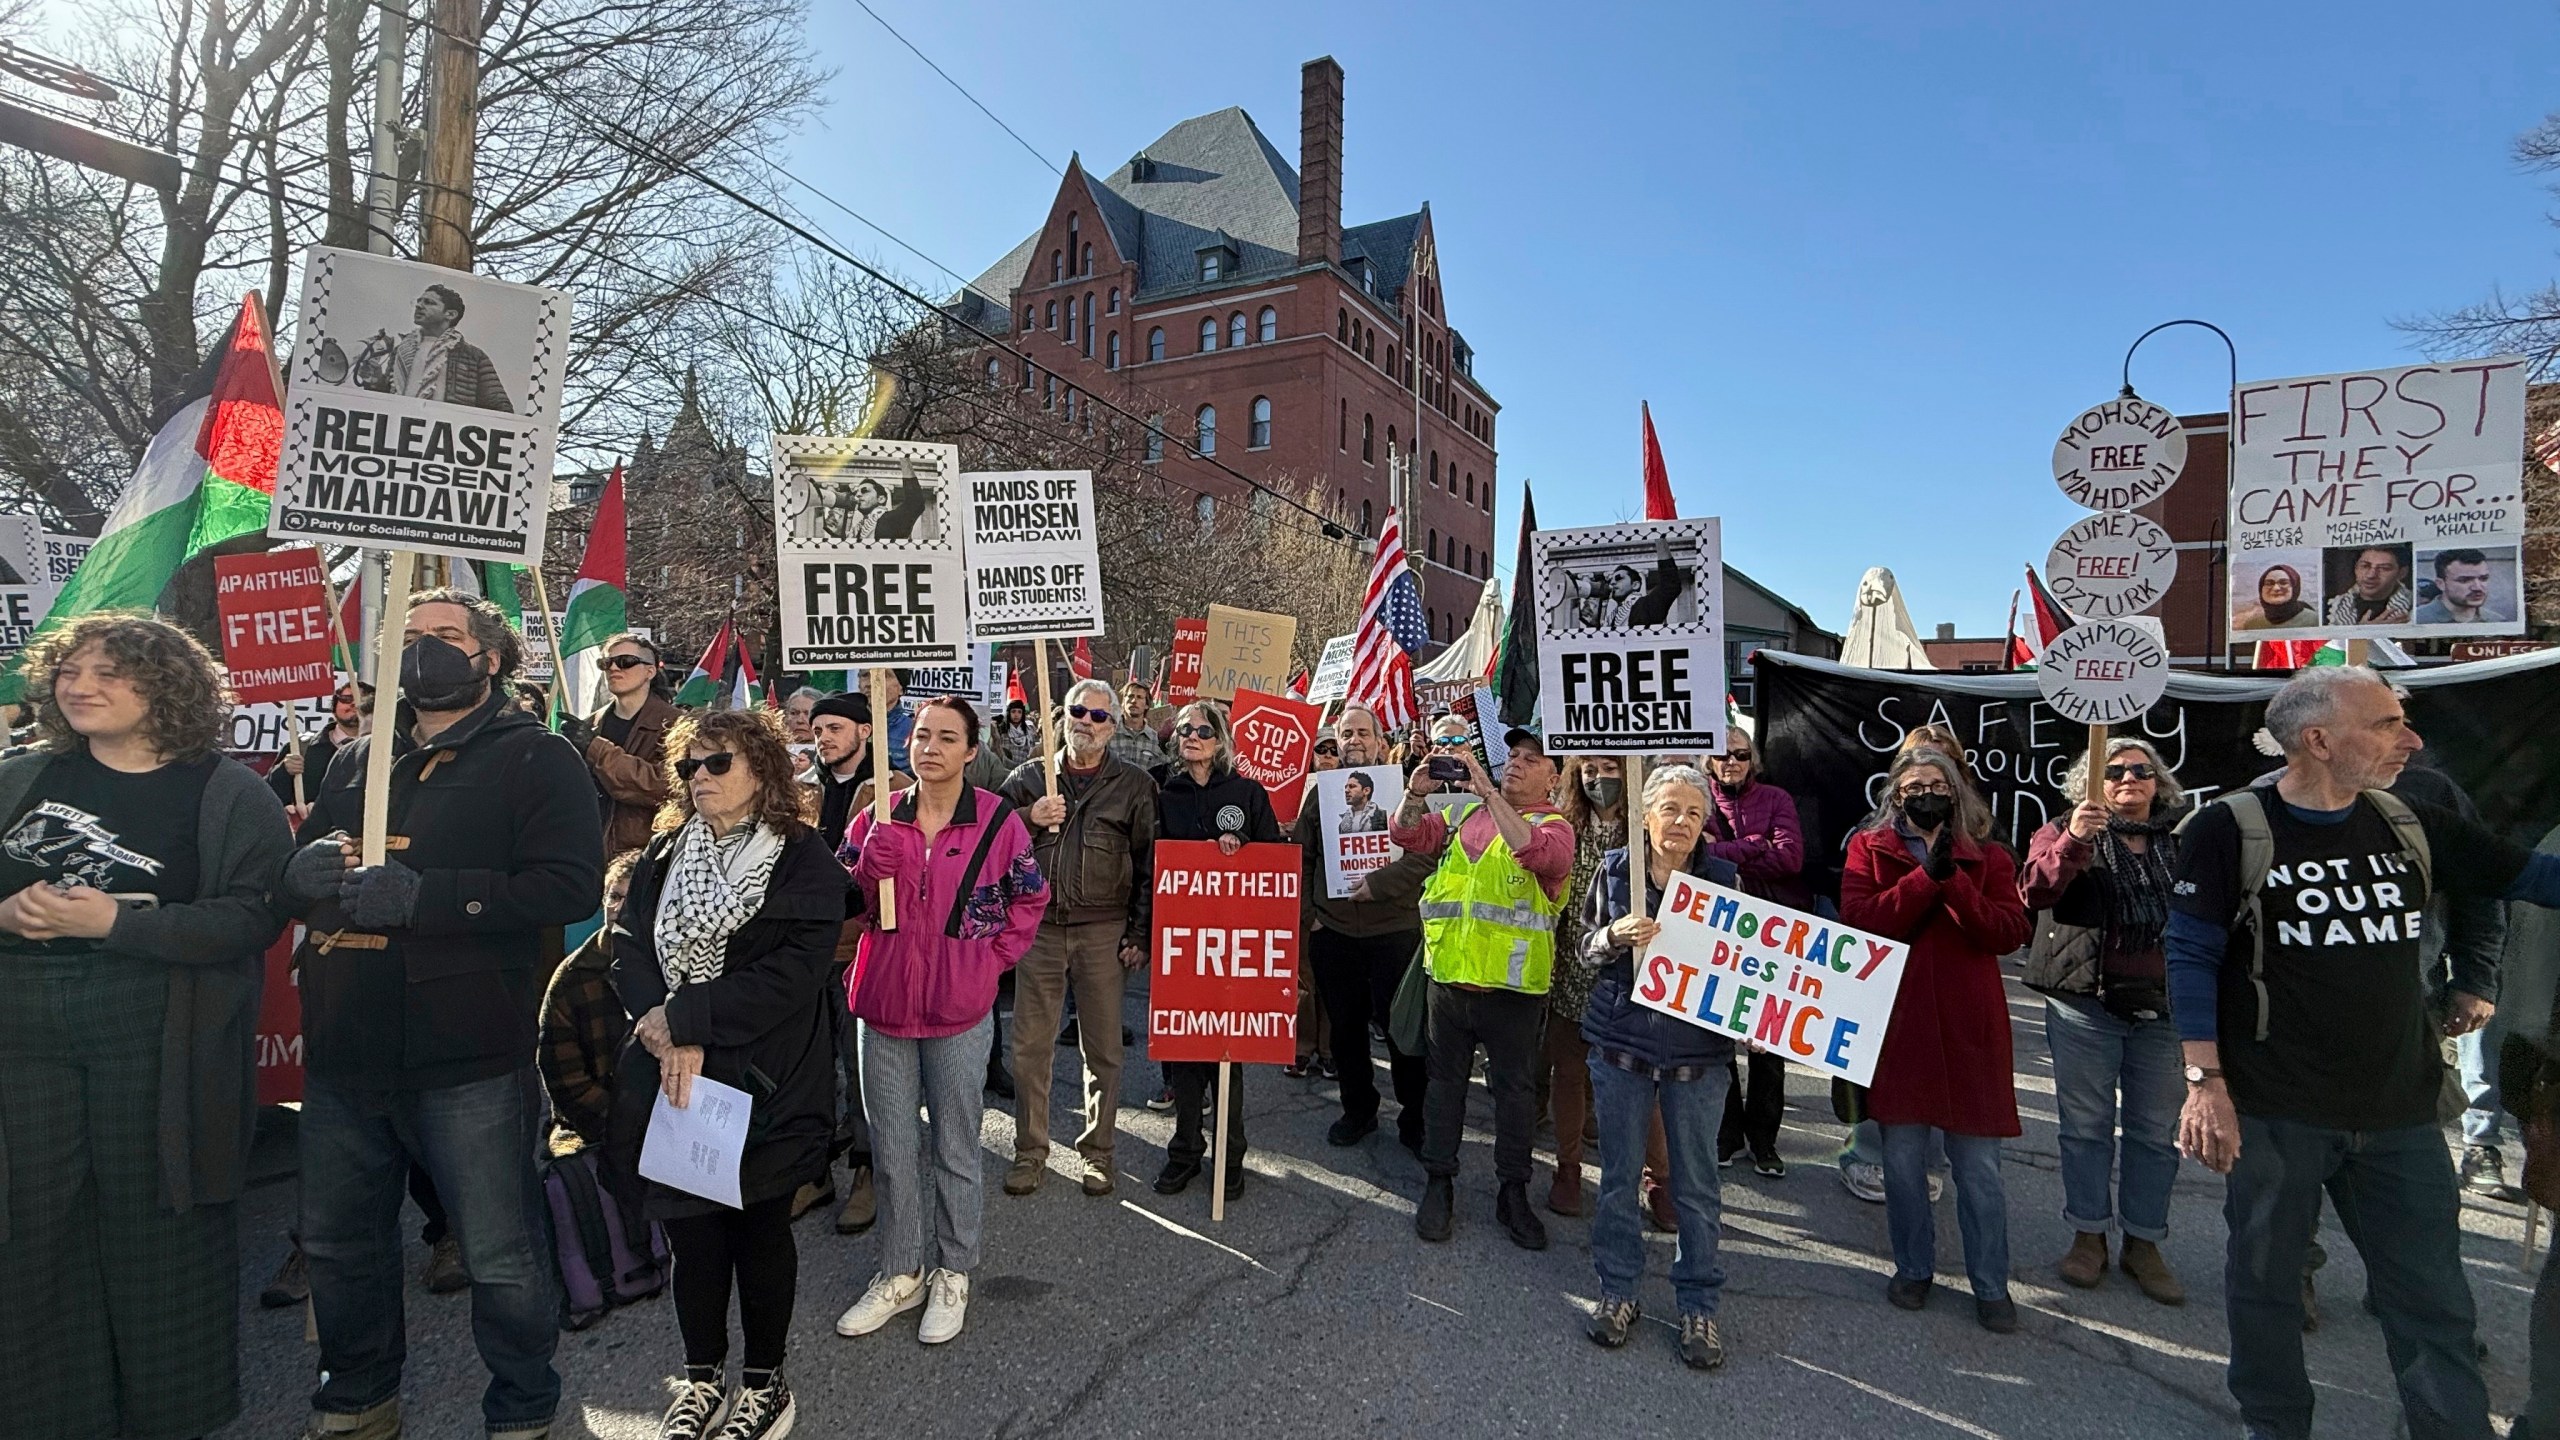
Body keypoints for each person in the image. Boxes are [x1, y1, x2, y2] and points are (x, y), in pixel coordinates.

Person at [2169, 666, 2560, 1440]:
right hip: (2277, 1112)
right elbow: (2189, 955)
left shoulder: (2414, 820)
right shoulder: (2228, 828)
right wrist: (2204, 1081)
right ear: (2318, 739)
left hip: (2400, 1112)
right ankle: (2275, 1426)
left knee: (2435, 1304)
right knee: (2267, 1291)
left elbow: (2530, 877)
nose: (2410, 739)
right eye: (2386, 724)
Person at [277, 587, 603, 1440]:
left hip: (467, 1054)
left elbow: (565, 887)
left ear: (488, 658)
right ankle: (357, 1397)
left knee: (498, 1252)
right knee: (342, 1245)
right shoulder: (357, 761)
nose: (424, 650)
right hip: (346, 1049)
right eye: (409, 637)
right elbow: (322, 877)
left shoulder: (537, 758)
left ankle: (524, 1405)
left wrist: (430, 897)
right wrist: (300, 872)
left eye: (446, 637)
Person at [0, 613, 293, 1440]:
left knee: (160, 1226)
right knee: (32, 1227)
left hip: (163, 1041)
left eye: (107, 671)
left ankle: (173, 1416)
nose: (79, 685)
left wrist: (118, 927)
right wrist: (7, 910)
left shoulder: (229, 794)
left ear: (165, 685)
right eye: (69, 670)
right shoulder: (18, 777)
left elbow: (249, 920)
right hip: (19, 1040)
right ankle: (48, 1415)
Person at [605, 708, 845, 1440]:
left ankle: (765, 1385)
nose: (699, 778)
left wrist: (690, 1020)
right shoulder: (665, 850)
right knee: (692, 1236)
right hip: (671, 1074)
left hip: (764, 1081)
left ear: (764, 770)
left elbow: (792, 973)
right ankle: (702, 1376)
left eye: (718, 763)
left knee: (758, 1232)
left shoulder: (802, 858)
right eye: (689, 766)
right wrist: (660, 1023)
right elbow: (626, 939)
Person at [834, 697, 1045, 1347]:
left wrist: (990, 965)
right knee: (894, 1152)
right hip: (885, 1009)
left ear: (970, 751)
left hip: (959, 1013)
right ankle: (901, 1272)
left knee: (957, 1149)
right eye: (922, 735)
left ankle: (954, 1270)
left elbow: (1029, 897)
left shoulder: (995, 821)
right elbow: (842, 904)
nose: (930, 747)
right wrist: (869, 871)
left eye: (946, 738)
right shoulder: (876, 818)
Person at [1843, 745, 2030, 1334]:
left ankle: (1991, 1284)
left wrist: (1958, 885)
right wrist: (1926, 879)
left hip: (1970, 1027)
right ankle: (1913, 1267)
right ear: (1894, 795)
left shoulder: (1991, 856)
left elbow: (2007, 932)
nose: (1925, 792)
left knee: (1978, 1170)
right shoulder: (1867, 849)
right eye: (1913, 784)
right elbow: (1864, 923)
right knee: (1901, 1164)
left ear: (1956, 793)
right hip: (1900, 1025)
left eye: (1937, 783)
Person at [1576, 765, 1742, 1369]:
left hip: (1697, 1060)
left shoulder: (1725, 880)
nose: (1681, 823)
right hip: (1622, 1048)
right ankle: (1618, 1293)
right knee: (1619, 1179)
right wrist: (1615, 936)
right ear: (1645, 815)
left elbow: (1746, 967)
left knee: (1696, 1189)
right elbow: (1584, 947)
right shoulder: (1616, 870)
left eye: (1694, 814)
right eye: (1670, 809)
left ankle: (1698, 1303)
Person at [2018, 736, 2189, 1305]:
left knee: (2154, 1134)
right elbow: (2035, 890)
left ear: (2158, 781)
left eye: (2141, 770)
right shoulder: (2064, 829)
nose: (2127, 780)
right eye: (2112, 771)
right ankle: (2088, 1233)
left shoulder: (2186, 836)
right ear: (2090, 783)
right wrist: (2074, 841)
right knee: (2085, 1128)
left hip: (2165, 1007)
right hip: (2086, 1006)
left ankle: (2144, 1242)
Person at [1399, 723, 1575, 1250]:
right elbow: (1407, 835)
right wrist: (1415, 792)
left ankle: (1512, 1193)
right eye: (1513, 754)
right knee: (1443, 1089)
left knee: (1515, 1097)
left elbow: (1543, 858)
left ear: (1555, 776)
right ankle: (1438, 1183)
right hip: (1449, 982)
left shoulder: (1555, 826)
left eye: (1532, 758)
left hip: (1513, 993)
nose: (1517, 762)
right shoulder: (1461, 814)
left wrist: (1490, 791)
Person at [999, 677, 1156, 1199]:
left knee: (1104, 1048)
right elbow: (987, 845)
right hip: (1039, 928)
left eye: (1098, 716)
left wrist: (1139, 931)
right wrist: (1027, 818)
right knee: (1029, 1047)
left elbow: (1148, 863)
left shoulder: (1134, 786)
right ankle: (1030, 1150)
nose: (1086, 722)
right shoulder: (1028, 777)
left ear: (1114, 727)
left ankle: (1099, 1152)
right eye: (1078, 712)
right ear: (1061, 714)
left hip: (1103, 928)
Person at [1151, 700, 1284, 1198]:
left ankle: (1231, 1158)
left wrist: (1243, 846)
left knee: (1228, 1052)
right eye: (1184, 728)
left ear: (1221, 739)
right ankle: (1184, 1152)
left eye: (1204, 730)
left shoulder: (1247, 793)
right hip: (1181, 944)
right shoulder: (1161, 788)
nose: (1193, 736)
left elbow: (1274, 861)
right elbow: (1150, 860)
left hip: (1233, 944)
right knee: (1185, 1052)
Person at [1298, 703, 1432, 1152]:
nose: (1353, 740)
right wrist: (1310, 915)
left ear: (1380, 741)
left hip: (1393, 932)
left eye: (1362, 732)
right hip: (1334, 933)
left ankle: (1415, 1116)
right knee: (1345, 1031)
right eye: (1345, 734)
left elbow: (1425, 857)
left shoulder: (1405, 795)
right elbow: (1302, 859)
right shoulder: (1320, 795)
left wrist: (1378, 885)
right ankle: (1358, 1111)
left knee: (1402, 1033)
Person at [1547, 753, 1673, 1222]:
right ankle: (1567, 1167)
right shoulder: (1566, 829)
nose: (1600, 778)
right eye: (1590, 770)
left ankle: (1658, 1177)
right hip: (1574, 971)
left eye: (1612, 768)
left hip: (1634, 978)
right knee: (1570, 1074)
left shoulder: (1648, 833)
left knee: (1643, 1084)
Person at [1700, 725, 1810, 1178]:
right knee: (1718, 1038)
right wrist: (1753, 846)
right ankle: (1727, 1136)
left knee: (1769, 1042)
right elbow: (1697, 858)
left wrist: (1728, 851)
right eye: (1722, 755)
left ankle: (1764, 1140)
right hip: (1717, 930)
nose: (1731, 763)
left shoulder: (1778, 799)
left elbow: (1790, 859)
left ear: (1754, 761)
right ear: (1708, 760)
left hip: (1772, 931)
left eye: (1741, 756)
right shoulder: (1698, 798)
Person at [806, 691, 893, 1235]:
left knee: (861, 1070)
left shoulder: (891, 788)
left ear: (864, 731)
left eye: (835, 728)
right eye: (818, 730)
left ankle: (867, 1171)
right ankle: (811, 1170)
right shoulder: (797, 789)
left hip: (860, 945)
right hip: (802, 946)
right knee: (806, 1067)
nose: (824, 738)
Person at [540, 850, 642, 1154]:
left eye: (633, 898)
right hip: (592, 1132)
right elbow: (566, 1083)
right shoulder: (574, 977)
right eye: (614, 896)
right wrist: (626, 1130)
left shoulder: (683, 968)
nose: (619, 908)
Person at [558, 633, 677, 857]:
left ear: (650, 671)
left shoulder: (675, 725)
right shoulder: (589, 725)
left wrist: (596, 748)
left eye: (625, 662)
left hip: (642, 856)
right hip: (590, 852)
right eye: (606, 663)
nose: (613, 668)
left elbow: (663, 786)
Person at [349, 282, 515, 411]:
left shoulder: (473, 355)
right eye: (419, 301)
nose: (419, 305)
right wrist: (377, 382)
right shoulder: (401, 350)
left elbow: (499, 406)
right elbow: (386, 399)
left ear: (450, 314)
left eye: (428, 302)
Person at [272, 681, 370, 812]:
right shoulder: (301, 747)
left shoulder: (389, 749)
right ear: (334, 706)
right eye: (346, 699)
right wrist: (283, 771)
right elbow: (268, 795)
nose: (355, 703)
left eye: (364, 700)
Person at [2324, 545, 2414, 626]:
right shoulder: (2331, 608)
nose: (2371, 575)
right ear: (2356, 569)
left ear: (2402, 573)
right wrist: (2362, 632)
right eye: (2365, 566)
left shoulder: (2415, 608)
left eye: (2384, 568)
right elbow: (2314, 644)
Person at [2416, 549, 2502, 625]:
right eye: (2464, 580)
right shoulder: (2419, 619)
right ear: (2440, 584)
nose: (2477, 587)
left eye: (2483, 578)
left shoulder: (2497, 621)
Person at [1106, 679, 1169, 775]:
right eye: (1130, 696)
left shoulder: (1155, 740)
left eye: (1139, 697)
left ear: (1147, 705)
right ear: (1123, 702)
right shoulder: (1108, 734)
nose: (1134, 701)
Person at [2234, 565, 2313, 630]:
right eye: (2269, 583)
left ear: (2295, 587)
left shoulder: (2313, 621)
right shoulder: (2252, 625)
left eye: (2284, 583)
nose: (2276, 588)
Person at [991, 699, 1039, 771]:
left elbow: (1033, 752)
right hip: (1005, 770)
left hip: (1024, 770)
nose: (1016, 715)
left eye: (1019, 712)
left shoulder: (1029, 731)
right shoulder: (1001, 730)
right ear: (1009, 713)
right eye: (1013, 711)